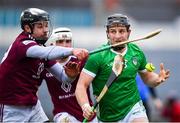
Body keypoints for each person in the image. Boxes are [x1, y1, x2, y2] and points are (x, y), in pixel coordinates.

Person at [75, 13, 170, 122]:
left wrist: (157, 79)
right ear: (107, 34)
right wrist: (85, 106)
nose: (117, 36)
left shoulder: (136, 52)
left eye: (121, 31)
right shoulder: (97, 57)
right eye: (113, 31)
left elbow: (148, 78)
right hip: (107, 116)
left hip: (133, 108)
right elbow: (81, 86)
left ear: (128, 33)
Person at [0, 8, 88, 122]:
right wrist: (72, 51)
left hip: (32, 106)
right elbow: (47, 52)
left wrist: (71, 75)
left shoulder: (41, 49)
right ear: (27, 28)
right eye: (40, 26)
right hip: (11, 107)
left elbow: (63, 78)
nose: (46, 30)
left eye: (46, 25)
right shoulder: (22, 45)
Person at [41, 27, 97, 122]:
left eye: (68, 41)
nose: (65, 45)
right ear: (52, 44)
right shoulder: (46, 65)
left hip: (87, 112)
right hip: (62, 114)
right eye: (60, 41)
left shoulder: (81, 61)